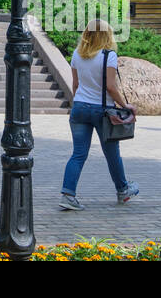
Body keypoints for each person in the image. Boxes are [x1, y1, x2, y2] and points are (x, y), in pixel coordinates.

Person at [59, 20, 138, 210]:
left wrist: (77, 103)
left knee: (78, 154)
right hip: (102, 111)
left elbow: (76, 85)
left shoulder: (77, 55)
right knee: (112, 154)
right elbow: (111, 86)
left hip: (79, 108)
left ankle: (68, 195)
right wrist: (124, 105)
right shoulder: (108, 56)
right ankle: (123, 190)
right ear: (106, 35)